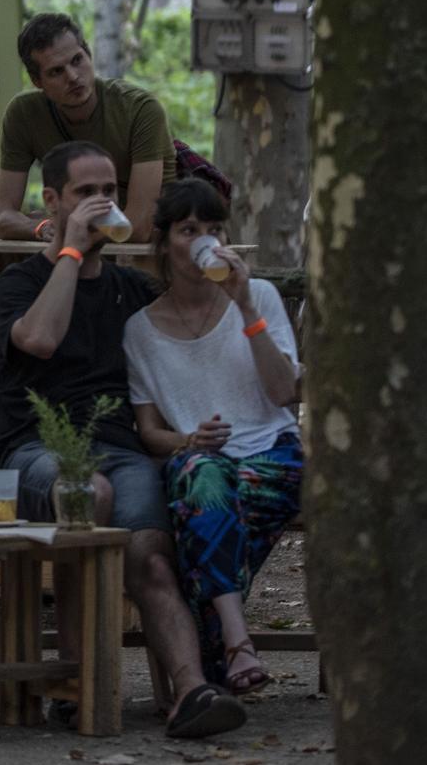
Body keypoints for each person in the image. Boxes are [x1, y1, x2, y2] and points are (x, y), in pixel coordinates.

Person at [0, 139, 245, 738]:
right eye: (87, 193)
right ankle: (81, 683)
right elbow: (43, 341)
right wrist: (71, 248)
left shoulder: (134, 291)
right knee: (89, 492)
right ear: (52, 201)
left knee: (149, 554)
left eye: (110, 190)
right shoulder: (21, 282)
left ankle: (191, 692)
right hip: (36, 453)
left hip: (122, 449)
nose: (104, 201)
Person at [125, 179, 302, 695]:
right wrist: (189, 440)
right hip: (198, 467)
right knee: (202, 477)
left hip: (273, 458)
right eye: (189, 229)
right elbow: (149, 433)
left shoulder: (260, 295)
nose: (204, 239)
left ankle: (210, 655)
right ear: (164, 243)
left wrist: (245, 307)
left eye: (214, 228)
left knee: (202, 509)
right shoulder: (140, 330)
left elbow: (284, 393)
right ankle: (236, 640)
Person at [0, 12, 174, 244]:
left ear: (88, 55)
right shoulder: (23, 114)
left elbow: (137, 228)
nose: (72, 76)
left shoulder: (139, 109)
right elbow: (3, 217)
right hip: (86, 243)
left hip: (150, 251)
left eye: (77, 60)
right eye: (56, 71)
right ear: (37, 81)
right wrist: (40, 226)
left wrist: (69, 229)